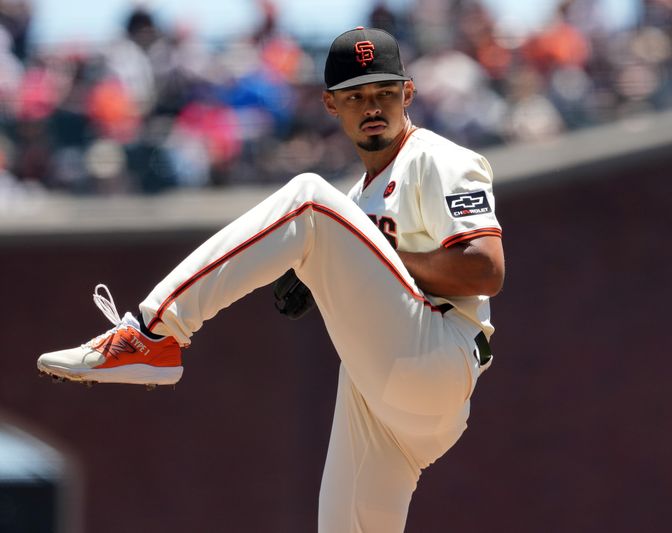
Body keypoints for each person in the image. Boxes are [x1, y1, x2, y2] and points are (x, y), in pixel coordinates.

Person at [37, 27, 504, 533]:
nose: (373, 106)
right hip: (388, 402)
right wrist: (334, 270)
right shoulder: (359, 194)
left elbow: (485, 268)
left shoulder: (437, 158)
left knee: (307, 196)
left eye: (385, 92)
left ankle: (153, 333)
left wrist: (377, 253)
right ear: (331, 104)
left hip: (441, 355)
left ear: (407, 94)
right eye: (357, 95)